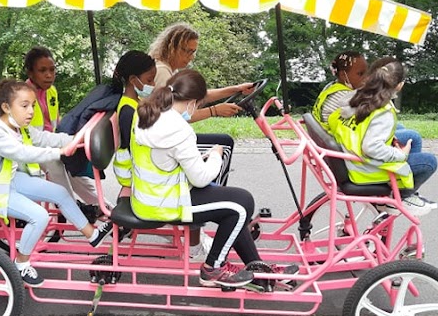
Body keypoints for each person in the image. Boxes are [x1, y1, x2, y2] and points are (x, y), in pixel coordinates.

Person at [131, 69, 273, 288]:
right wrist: (215, 156)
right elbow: (201, 178)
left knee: (233, 202)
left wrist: (200, 158)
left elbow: (167, 159)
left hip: (151, 195)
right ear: (192, 103)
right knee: (242, 203)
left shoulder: (148, 113)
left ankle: (257, 267)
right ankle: (212, 269)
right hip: (164, 204)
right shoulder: (179, 128)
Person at [0, 80, 114, 286]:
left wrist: (74, 140)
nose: (30, 111)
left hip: (8, 178)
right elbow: (23, 153)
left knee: (60, 192)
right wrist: (59, 152)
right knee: (39, 216)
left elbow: (44, 137)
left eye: (33, 105)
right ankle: (21, 263)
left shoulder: (18, 126)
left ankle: (93, 235)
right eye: (25, 105)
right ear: (6, 107)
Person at [328, 58, 438, 217]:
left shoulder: (356, 96)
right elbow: (371, 147)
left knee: (413, 137)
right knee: (430, 162)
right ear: (399, 85)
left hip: (350, 154)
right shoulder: (383, 111)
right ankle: (402, 196)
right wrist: (401, 154)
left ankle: (406, 192)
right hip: (364, 168)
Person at [24, 46, 104, 211]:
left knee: (74, 165)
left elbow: (56, 122)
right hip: (29, 150)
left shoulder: (51, 91)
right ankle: (71, 208)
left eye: (52, 70)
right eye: (42, 70)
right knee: (55, 161)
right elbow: (34, 138)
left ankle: (104, 208)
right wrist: (68, 141)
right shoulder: (22, 97)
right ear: (30, 73)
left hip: (49, 143)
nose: (49, 75)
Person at [112, 50, 158, 190]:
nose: (154, 84)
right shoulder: (128, 111)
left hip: (138, 167)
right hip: (132, 174)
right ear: (133, 80)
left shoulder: (136, 102)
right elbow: (133, 148)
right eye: (149, 80)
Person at [311, 51, 368, 128]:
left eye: (367, 73)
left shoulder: (330, 87)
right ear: (343, 75)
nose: (366, 77)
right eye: (360, 74)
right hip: (334, 137)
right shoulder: (346, 96)